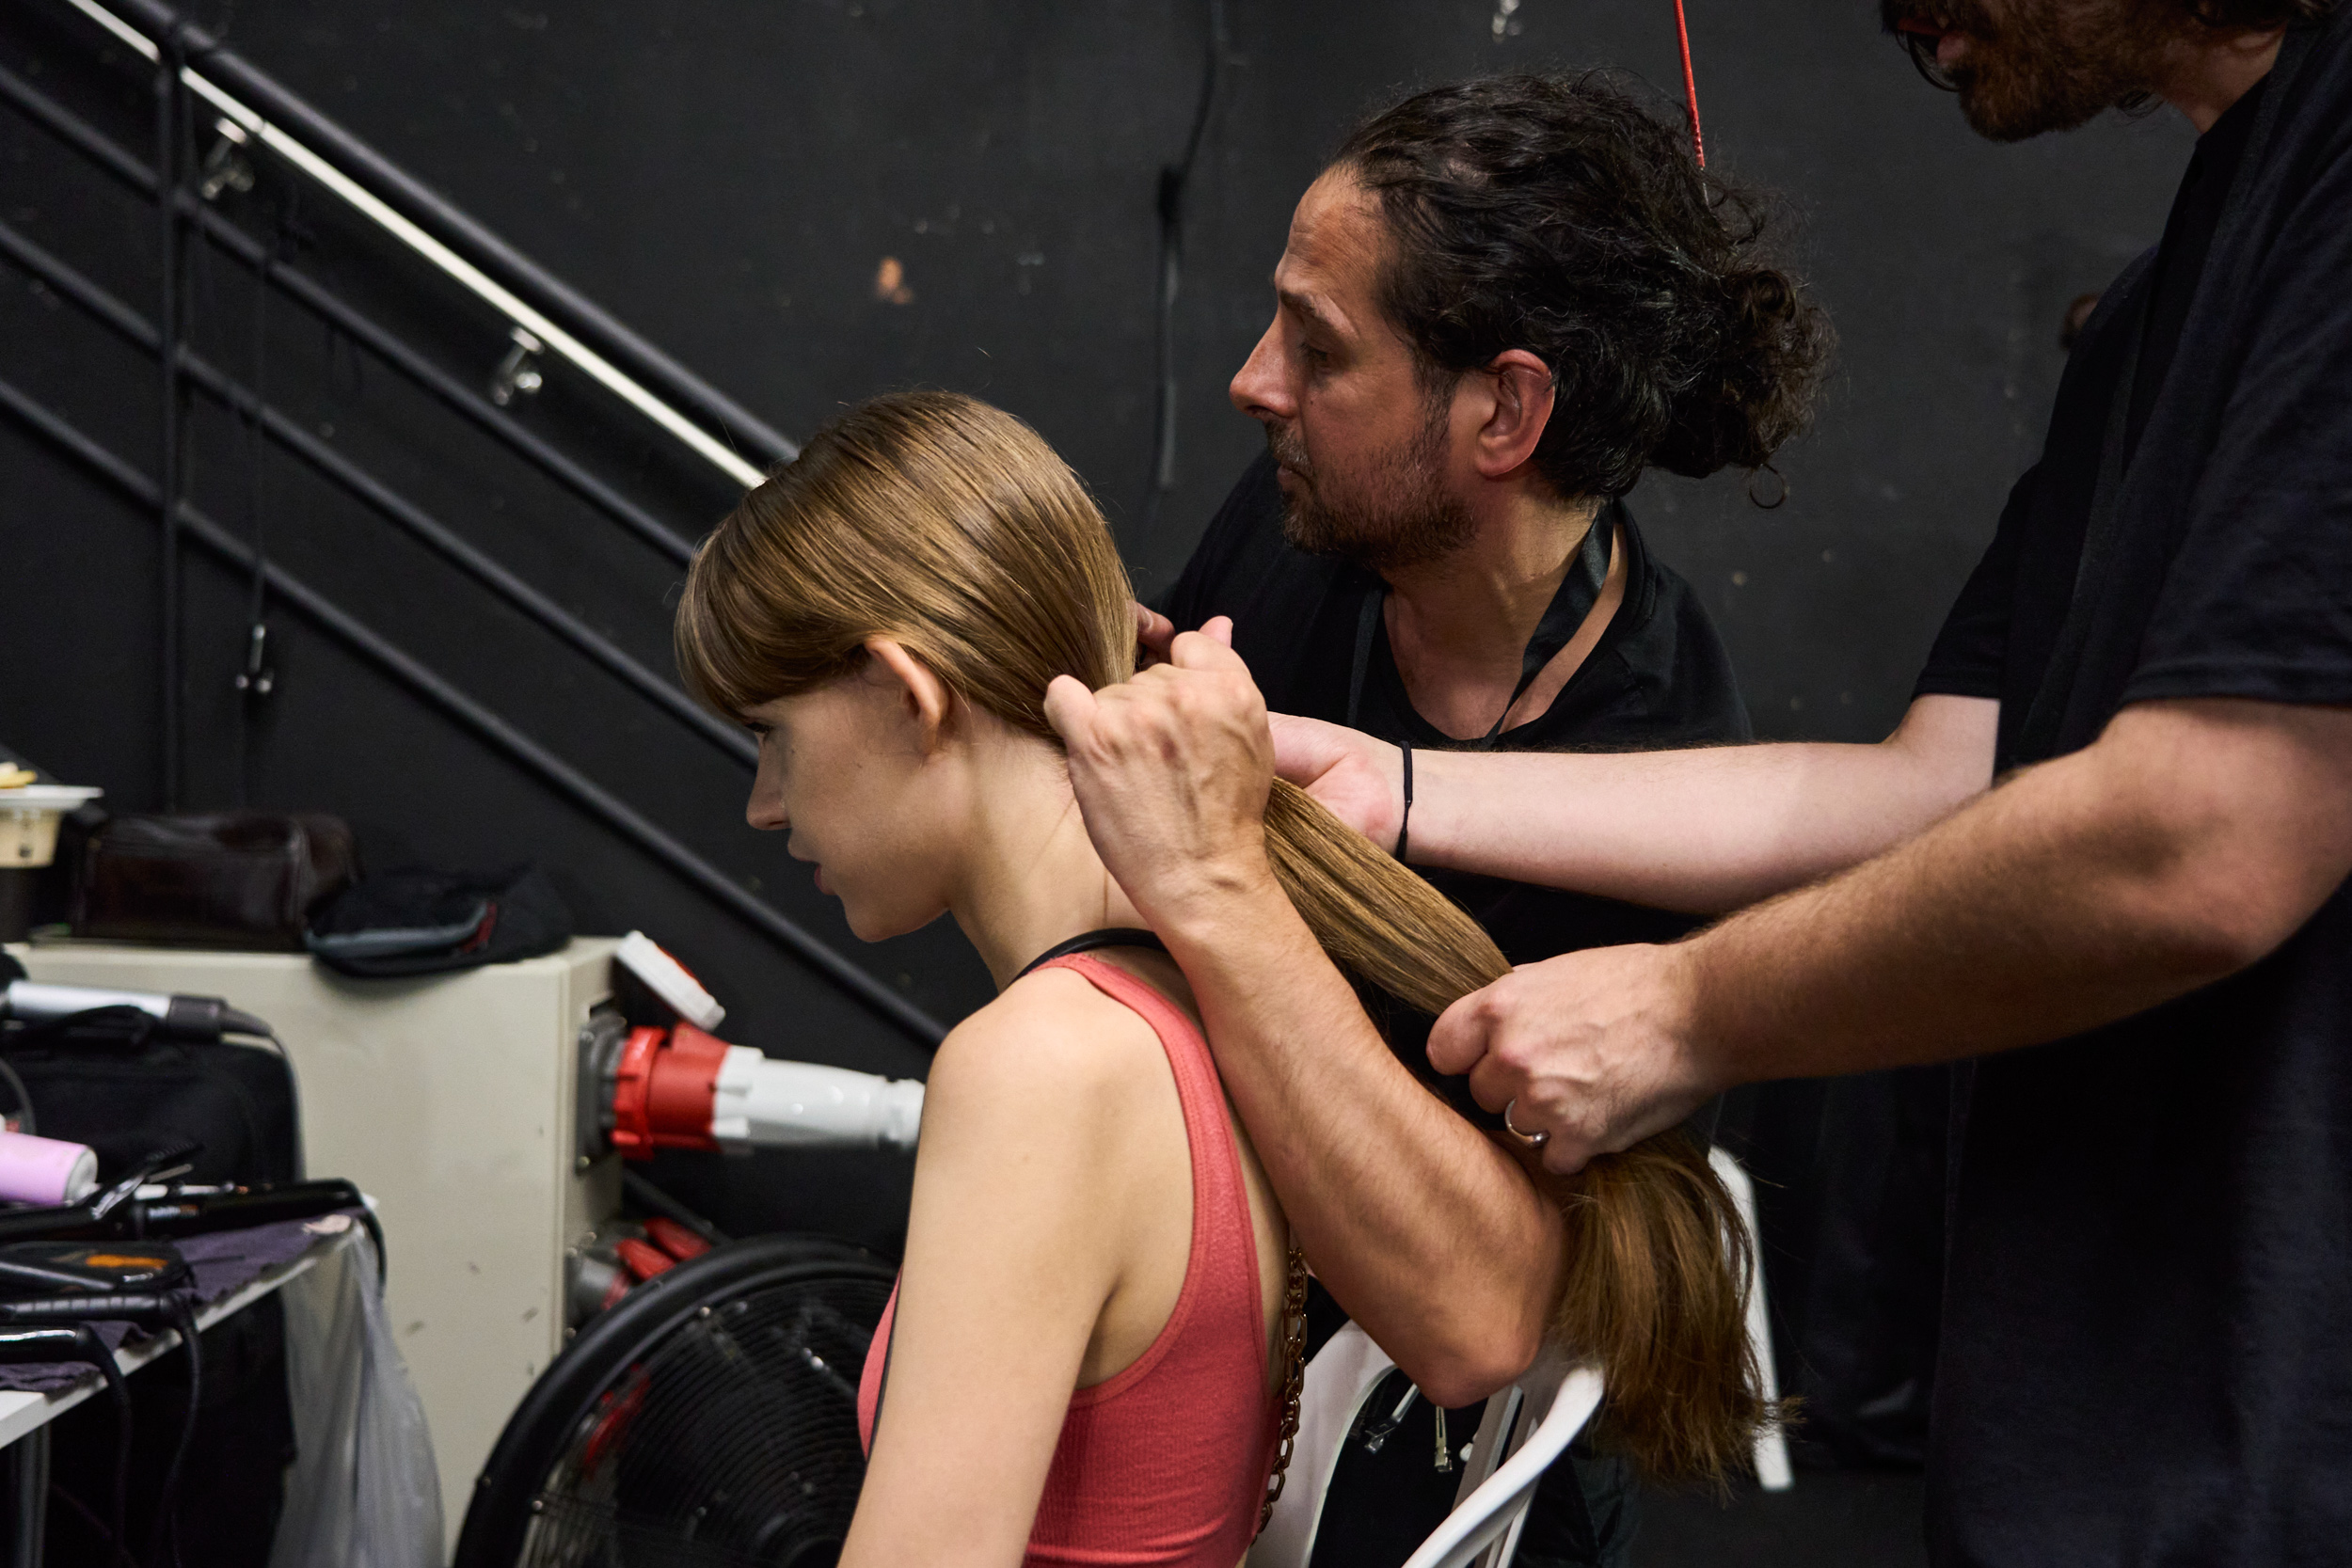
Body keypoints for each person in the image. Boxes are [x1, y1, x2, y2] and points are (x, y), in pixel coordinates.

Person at [1056, 3, 2352, 1563]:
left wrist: (1683, 1010)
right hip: (2087, 1444)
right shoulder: (2163, 315)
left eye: (1323, 348)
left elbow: (2213, 827)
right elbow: (1945, 786)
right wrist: (1399, 789)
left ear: (1505, 411)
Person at [675, 390, 1759, 1568]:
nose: (762, 805)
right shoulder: (1208, 1004)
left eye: (771, 735)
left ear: (905, 688)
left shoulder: (1043, 1070)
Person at [1140, 71, 1826, 1562]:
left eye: (1318, 347)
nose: (1256, 380)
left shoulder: (1668, 770)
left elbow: (1474, 1315)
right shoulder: (1286, 532)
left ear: (1505, 410)